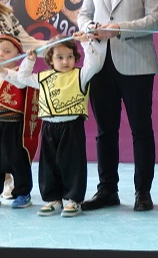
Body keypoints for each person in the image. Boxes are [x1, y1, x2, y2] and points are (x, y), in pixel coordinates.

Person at [77, 0, 158, 212]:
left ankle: (143, 192)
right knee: (105, 131)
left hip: (136, 65)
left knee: (141, 130)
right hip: (100, 63)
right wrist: (89, 26)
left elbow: (155, 20)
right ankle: (107, 190)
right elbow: (83, 14)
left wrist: (117, 29)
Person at [13, 35, 106, 217]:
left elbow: (94, 64)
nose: (65, 61)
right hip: (49, 127)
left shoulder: (80, 75)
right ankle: (53, 199)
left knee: (72, 164)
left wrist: (85, 42)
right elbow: (22, 77)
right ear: (50, 60)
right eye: (59, 57)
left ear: (75, 57)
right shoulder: (43, 77)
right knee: (49, 165)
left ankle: (73, 200)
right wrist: (29, 60)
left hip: (72, 127)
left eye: (70, 56)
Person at [0, 34, 41, 209]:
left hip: (13, 124)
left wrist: (5, 71)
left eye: (7, 51)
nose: (1, 54)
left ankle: (23, 192)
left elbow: (21, 83)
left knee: (17, 158)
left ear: (18, 55)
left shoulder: (20, 74)